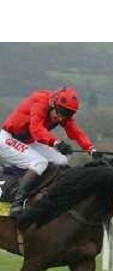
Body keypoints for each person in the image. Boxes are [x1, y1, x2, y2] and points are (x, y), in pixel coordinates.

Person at [0, 86, 98, 217]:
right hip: (8, 138)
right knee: (40, 162)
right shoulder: (40, 101)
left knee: (62, 160)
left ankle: (48, 192)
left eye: (69, 114)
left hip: (28, 141)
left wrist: (91, 149)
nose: (63, 118)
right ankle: (17, 204)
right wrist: (56, 142)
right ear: (53, 103)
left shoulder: (60, 112)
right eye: (62, 112)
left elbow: (76, 132)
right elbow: (36, 129)